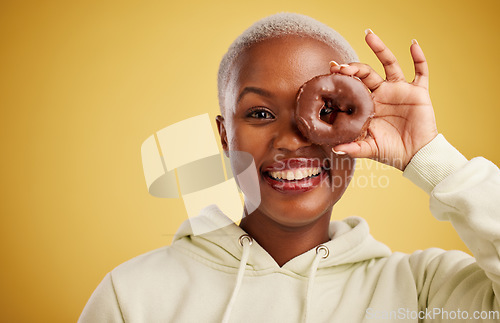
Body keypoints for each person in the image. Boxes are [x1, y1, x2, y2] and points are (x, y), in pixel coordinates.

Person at [79, 13, 500, 322]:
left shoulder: (425, 291)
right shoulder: (133, 296)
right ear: (225, 138)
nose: (292, 139)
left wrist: (428, 154)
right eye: (260, 114)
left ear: (360, 121)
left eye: (326, 110)